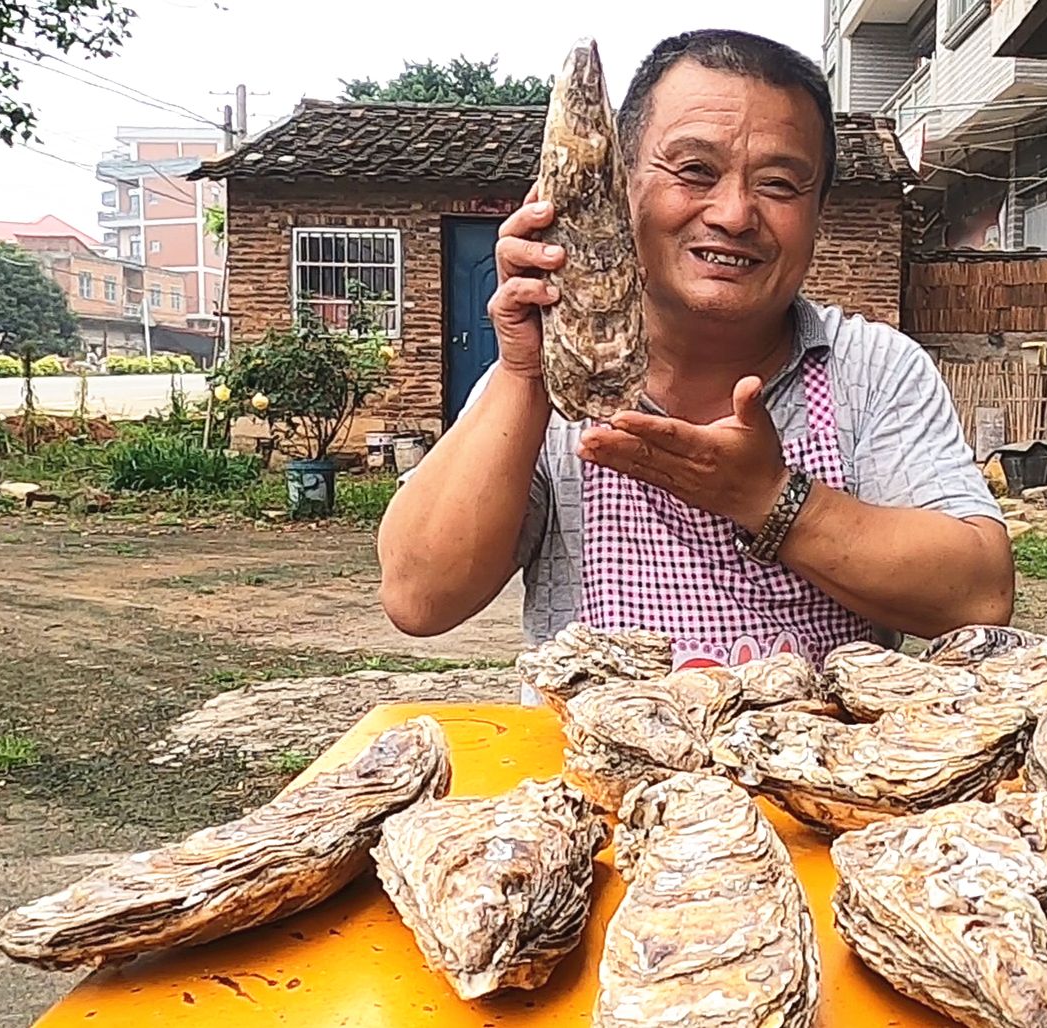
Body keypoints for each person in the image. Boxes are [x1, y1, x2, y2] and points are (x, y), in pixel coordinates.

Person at [379, 28, 1013, 672]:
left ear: (819, 213)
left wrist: (767, 497)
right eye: (694, 171)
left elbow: (979, 594)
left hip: (818, 767)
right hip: (606, 764)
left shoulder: (872, 370)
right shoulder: (543, 378)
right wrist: (527, 371)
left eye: (780, 184)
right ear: (618, 185)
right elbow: (420, 598)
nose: (735, 214)